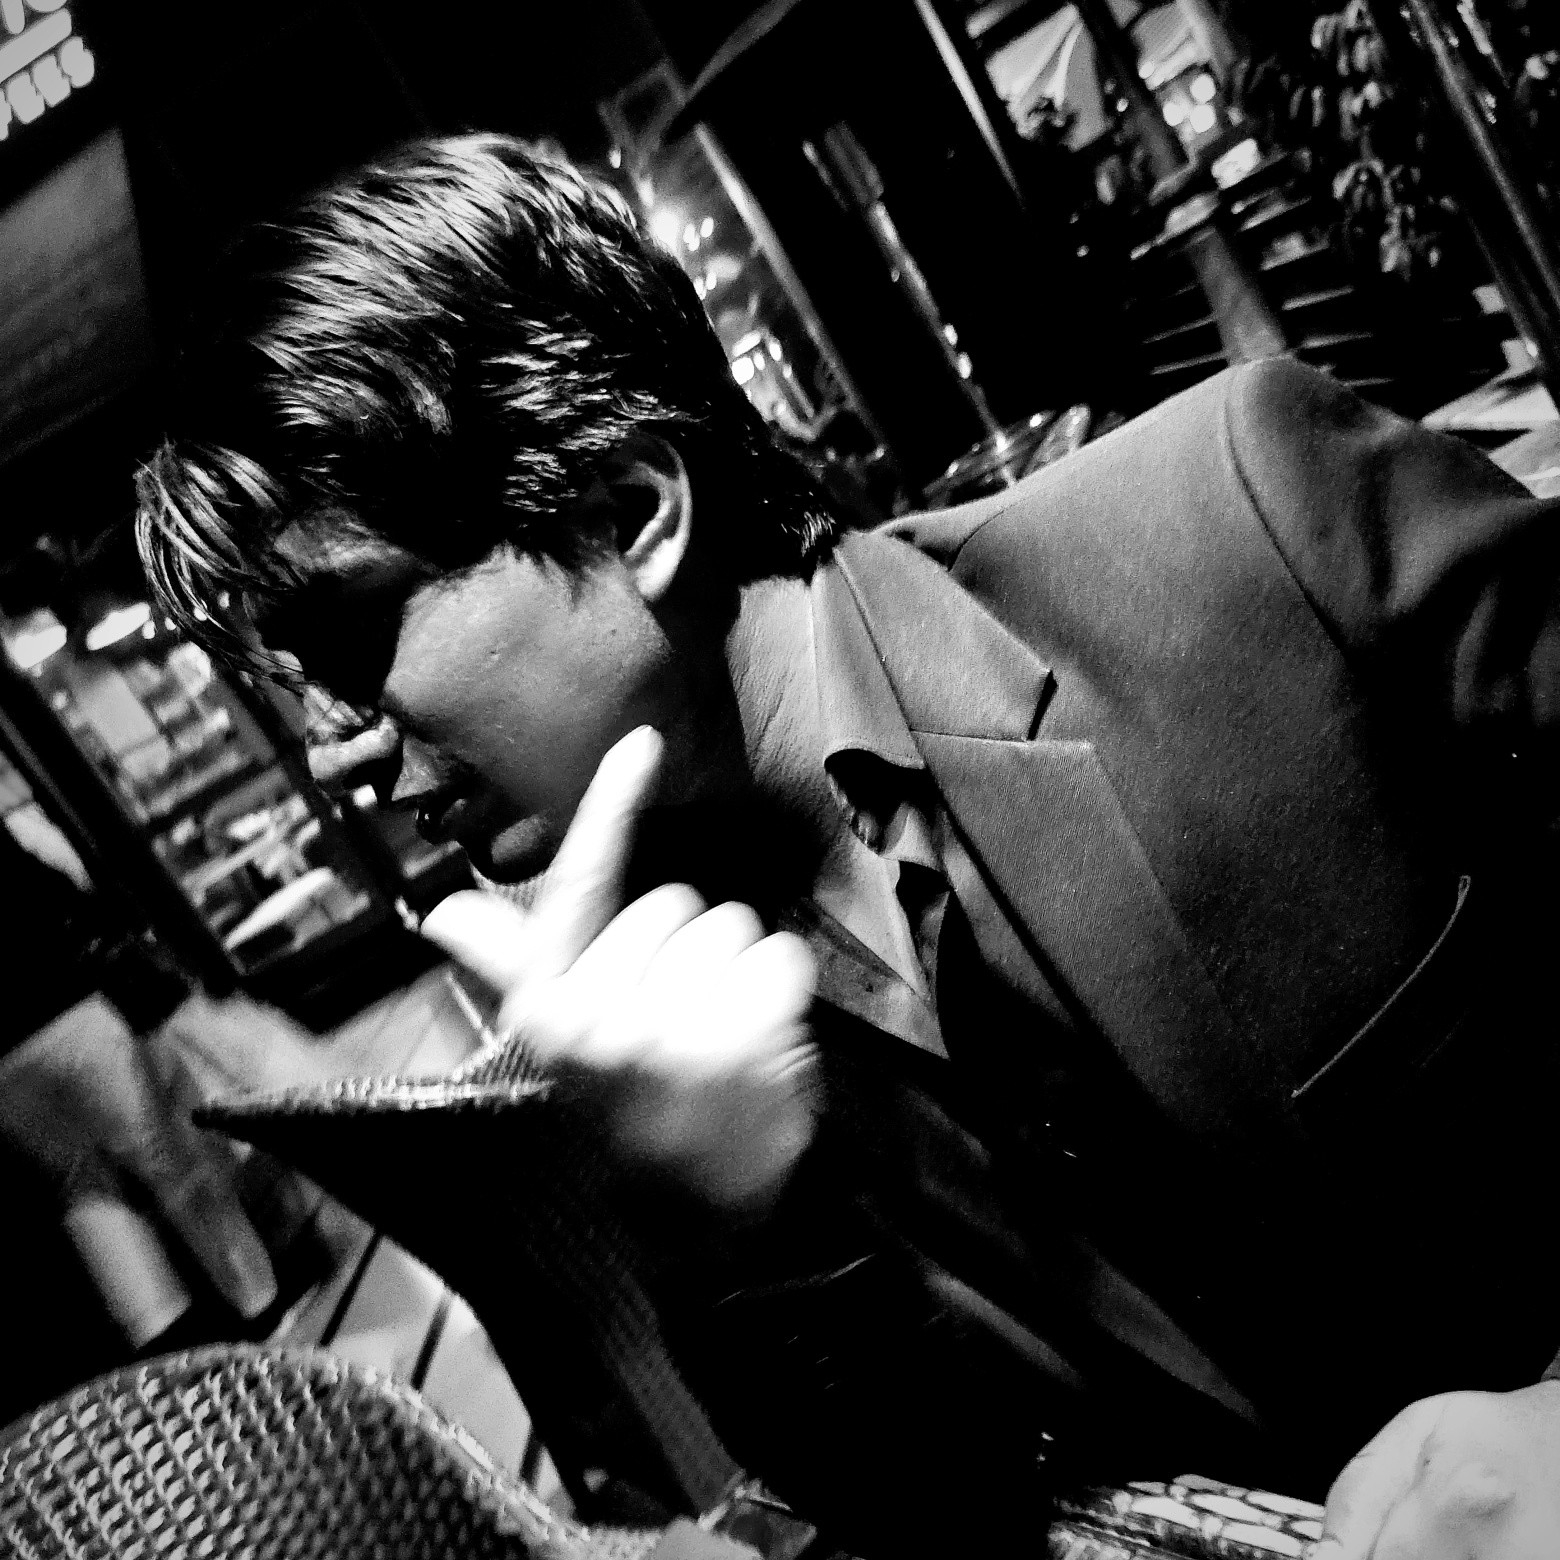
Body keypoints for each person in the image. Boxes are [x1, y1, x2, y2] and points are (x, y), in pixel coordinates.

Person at [132, 134, 1560, 1557]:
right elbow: (924, 1507)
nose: (332, 748)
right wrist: (741, 1227)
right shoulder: (641, 1024)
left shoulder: (1239, 522)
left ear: (632, 515)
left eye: (350, 637)